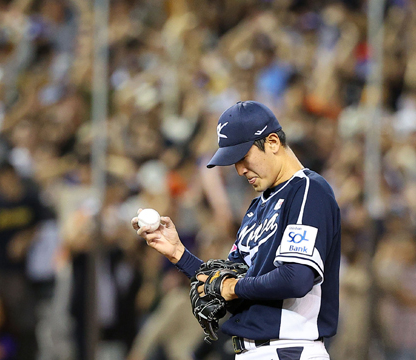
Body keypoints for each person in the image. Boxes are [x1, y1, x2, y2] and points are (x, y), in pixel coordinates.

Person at [132, 101, 341, 359]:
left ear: (273, 142)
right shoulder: (257, 207)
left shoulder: (308, 190)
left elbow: (296, 278)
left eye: (243, 157)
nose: (240, 169)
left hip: (289, 349)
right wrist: (179, 254)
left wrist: (232, 287)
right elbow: (226, 283)